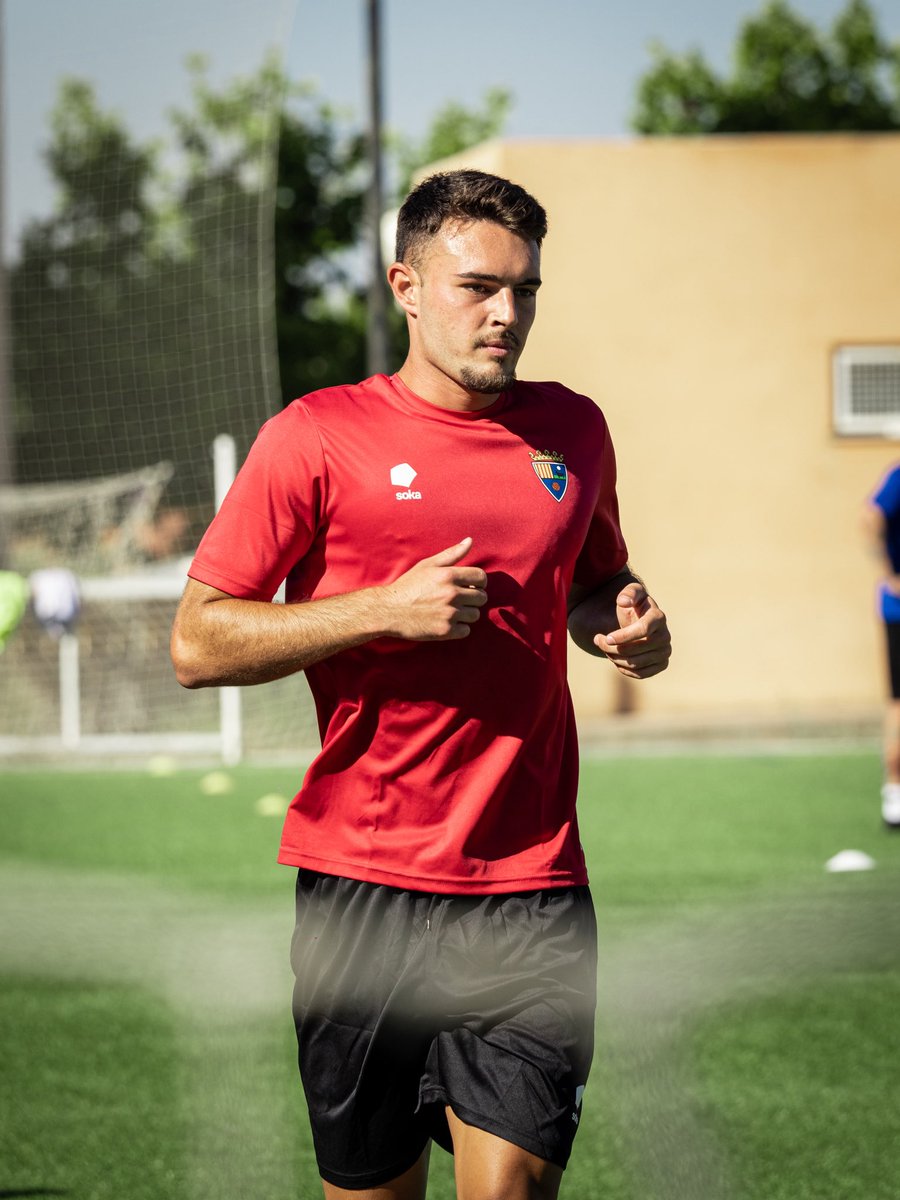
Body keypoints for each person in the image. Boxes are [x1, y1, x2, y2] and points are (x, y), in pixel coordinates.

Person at [171, 168, 672, 1200]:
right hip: (361, 889)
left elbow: (593, 581)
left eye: (525, 289)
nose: (507, 314)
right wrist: (376, 610)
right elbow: (197, 644)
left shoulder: (572, 431)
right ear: (405, 285)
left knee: (514, 1186)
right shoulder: (314, 436)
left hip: (530, 887)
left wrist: (623, 625)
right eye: (477, 287)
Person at [863, 464, 900, 829]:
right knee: (899, 702)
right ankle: (895, 791)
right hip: (899, 610)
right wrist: (890, 573)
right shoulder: (899, 477)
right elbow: (871, 515)